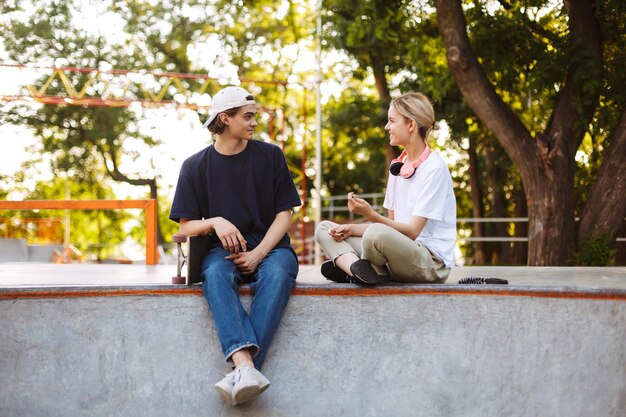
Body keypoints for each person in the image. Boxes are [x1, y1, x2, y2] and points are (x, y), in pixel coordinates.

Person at [169, 86, 301, 406]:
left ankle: (243, 369)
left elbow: (285, 215)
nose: (254, 122)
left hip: (271, 247)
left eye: (254, 116)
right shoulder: (194, 165)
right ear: (224, 119)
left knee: (279, 273)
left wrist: (258, 254)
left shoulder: (270, 156)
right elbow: (187, 226)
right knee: (212, 273)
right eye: (248, 117)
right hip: (221, 251)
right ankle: (246, 367)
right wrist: (215, 221)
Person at [315, 92, 456, 285]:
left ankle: (354, 268)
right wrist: (352, 229)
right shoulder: (398, 167)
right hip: (397, 255)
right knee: (324, 228)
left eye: (392, 121)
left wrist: (371, 215)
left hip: (429, 263)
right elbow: (391, 228)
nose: (386, 127)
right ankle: (357, 271)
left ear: (411, 125)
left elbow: (411, 232)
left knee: (375, 233)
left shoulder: (434, 168)